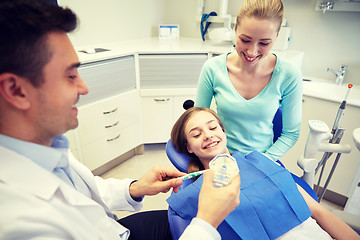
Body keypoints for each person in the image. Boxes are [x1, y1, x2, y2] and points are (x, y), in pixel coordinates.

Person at [0, 1, 240, 239]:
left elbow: (82, 193)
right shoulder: (19, 223)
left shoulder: (46, 146)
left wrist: (135, 188)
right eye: (70, 75)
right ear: (16, 90)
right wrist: (206, 221)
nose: (83, 88)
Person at [168, 107, 360, 240]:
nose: (208, 135)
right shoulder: (198, 193)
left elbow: (318, 211)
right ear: (189, 148)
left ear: (223, 131)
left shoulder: (261, 161)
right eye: (196, 134)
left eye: (212, 127)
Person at [195, 0, 302, 161]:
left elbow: (291, 133)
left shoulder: (288, 74)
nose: (252, 52)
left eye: (264, 43)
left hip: (263, 158)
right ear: (235, 30)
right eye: (245, 40)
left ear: (276, 36)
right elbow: (198, 120)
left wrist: (263, 161)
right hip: (219, 156)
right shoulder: (212, 68)